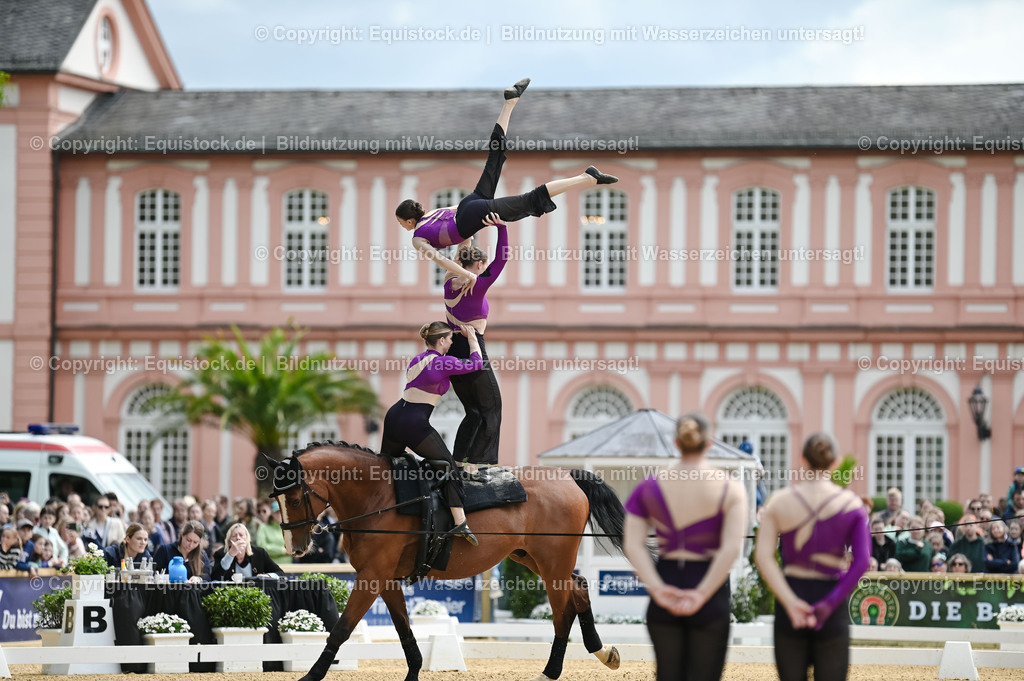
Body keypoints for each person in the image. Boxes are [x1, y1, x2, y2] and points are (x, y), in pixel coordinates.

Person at [395, 78, 618, 286]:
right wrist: (462, 266)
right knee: (494, 158)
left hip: (471, 213)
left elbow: (441, 260)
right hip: (469, 205)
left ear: (407, 221)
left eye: (401, 222)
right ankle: (510, 102)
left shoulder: (417, 238)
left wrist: (468, 275)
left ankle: (586, 177)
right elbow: (463, 235)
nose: (402, 227)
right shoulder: (432, 215)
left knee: (529, 199)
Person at [623, 412, 747, 681]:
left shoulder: (649, 486)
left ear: (676, 442)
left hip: (665, 584)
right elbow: (731, 550)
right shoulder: (730, 488)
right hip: (710, 592)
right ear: (709, 442)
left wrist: (658, 589)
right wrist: (701, 595)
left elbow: (633, 545)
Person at [755, 433, 871, 681]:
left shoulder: (779, 502)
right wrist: (830, 603)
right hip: (832, 602)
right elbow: (862, 561)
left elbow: (764, 557)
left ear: (801, 459)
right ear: (836, 462)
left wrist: (790, 602)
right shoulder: (852, 505)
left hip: (791, 599)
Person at [379, 321, 485, 545]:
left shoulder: (418, 359)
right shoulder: (443, 362)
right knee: (448, 466)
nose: (451, 342)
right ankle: (460, 523)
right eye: (449, 339)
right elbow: (477, 363)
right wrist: (473, 337)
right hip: (414, 422)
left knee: (385, 468)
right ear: (441, 341)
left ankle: (378, 514)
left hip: (395, 416)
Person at [444, 213, 507, 470]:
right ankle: (480, 465)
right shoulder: (477, 285)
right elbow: (502, 258)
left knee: (473, 411)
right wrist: (501, 228)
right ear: (480, 264)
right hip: (472, 347)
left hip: (452, 349)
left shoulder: (449, 281)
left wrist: (468, 223)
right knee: (492, 407)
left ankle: (459, 462)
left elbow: (462, 250)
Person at [212, 523, 283, 581]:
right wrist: (230, 555)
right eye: (234, 536)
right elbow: (215, 577)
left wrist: (267, 576)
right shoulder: (220, 554)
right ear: (229, 542)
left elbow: (280, 573)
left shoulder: (260, 553)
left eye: (241, 535)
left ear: (247, 539)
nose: (238, 538)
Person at [254, 500, 292, 565]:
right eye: (277, 512)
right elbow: (262, 547)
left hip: (288, 565)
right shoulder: (263, 527)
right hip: (271, 566)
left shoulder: (288, 528)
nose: (280, 514)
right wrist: (283, 551)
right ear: (272, 513)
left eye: (281, 512)